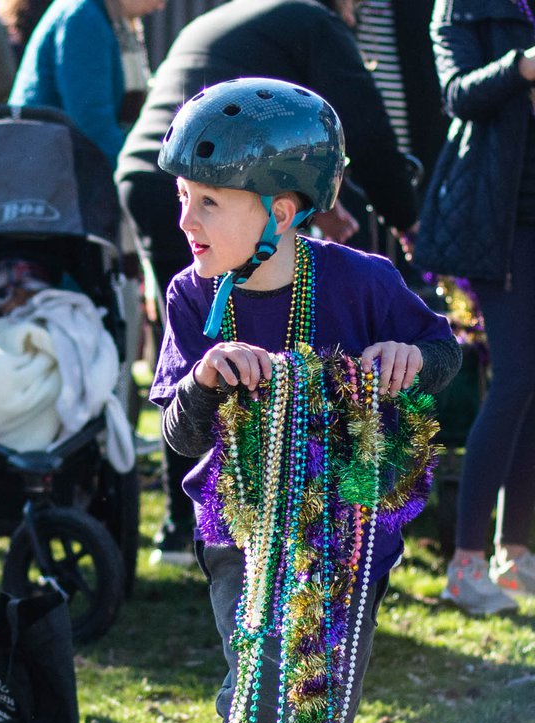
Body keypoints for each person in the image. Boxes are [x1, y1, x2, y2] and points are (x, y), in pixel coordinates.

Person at [149, 78, 459, 723]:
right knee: (256, 698)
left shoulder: (363, 281)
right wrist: (204, 380)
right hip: (241, 534)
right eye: (183, 197)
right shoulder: (193, 294)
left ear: (282, 213)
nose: (186, 218)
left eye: (209, 202)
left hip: (349, 533)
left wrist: (410, 361)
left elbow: (440, 352)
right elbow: (178, 436)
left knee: (322, 712)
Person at [116, 0, 423, 565]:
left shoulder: (243, 16)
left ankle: (177, 532)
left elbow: (436, 349)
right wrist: (408, 216)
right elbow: (369, 131)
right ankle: (196, 519)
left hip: (187, 180)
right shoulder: (316, 23)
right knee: (191, 356)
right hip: (224, 184)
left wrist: (311, 209)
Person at [417, 0, 535, 615]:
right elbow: (458, 94)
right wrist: (522, 66)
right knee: (515, 378)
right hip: (501, 217)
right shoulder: (462, 7)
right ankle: (465, 565)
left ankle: (513, 555)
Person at [8, 0, 161, 166]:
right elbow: (92, 120)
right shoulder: (84, 16)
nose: (161, 6)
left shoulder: (104, 15)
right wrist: (133, 170)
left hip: (57, 160)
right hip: (44, 166)